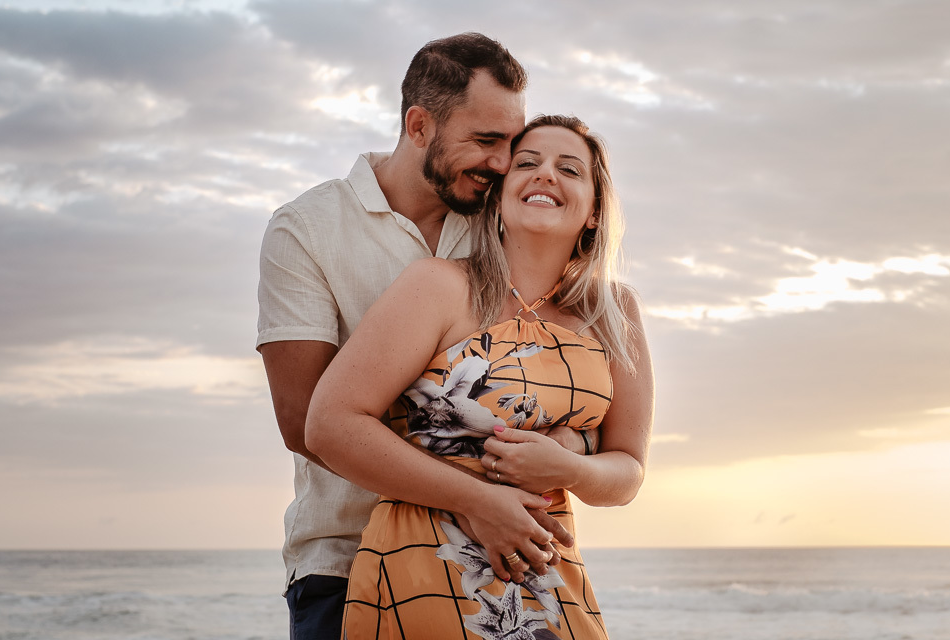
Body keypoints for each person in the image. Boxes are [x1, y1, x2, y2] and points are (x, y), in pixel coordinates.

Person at [257, 34, 589, 640]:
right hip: (346, 558)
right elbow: (306, 421)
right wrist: (476, 494)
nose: (499, 162)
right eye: (485, 141)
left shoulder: (502, 220)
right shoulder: (307, 230)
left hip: (496, 561)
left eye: (509, 144)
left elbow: (561, 362)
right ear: (418, 125)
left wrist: (569, 443)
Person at [308, 115, 655, 639]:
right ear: (498, 197)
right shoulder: (439, 287)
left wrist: (569, 465)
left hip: (545, 568)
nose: (545, 176)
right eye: (528, 163)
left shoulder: (615, 311)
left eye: (569, 168)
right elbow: (330, 424)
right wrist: (480, 500)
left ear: (594, 211)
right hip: (426, 559)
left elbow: (627, 472)